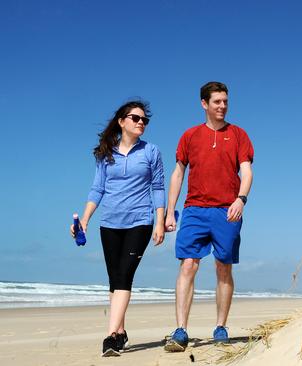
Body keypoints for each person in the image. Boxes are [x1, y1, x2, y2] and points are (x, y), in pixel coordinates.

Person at [70, 100, 166, 357]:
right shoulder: (106, 153)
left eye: (145, 120)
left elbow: (158, 188)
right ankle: (121, 331)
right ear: (122, 121)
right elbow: (97, 189)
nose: (141, 123)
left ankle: (111, 336)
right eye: (136, 118)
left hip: (140, 222)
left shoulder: (151, 152)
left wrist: (159, 221)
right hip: (110, 223)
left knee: (125, 274)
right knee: (114, 279)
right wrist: (85, 220)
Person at [163, 81, 253, 351]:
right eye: (217, 102)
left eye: (225, 101)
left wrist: (241, 199)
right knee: (188, 264)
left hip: (228, 210)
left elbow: (246, 171)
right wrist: (170, 211)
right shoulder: (189, 136)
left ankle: (221, 327)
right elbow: (178, 173)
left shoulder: (238, 134)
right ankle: (180, 330)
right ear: (204, 104)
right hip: (194, 209)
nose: (222, 106)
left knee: (223, 267)